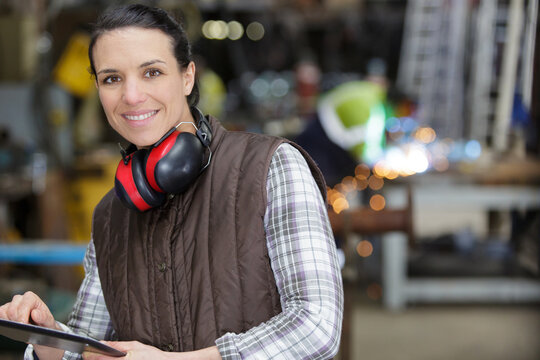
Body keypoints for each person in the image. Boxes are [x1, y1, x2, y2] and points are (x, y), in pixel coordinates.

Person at [0, 4, 343, 359]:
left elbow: (316, 326)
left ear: (187, 77)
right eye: (112, 78)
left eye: (151, 72)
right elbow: (91, 349)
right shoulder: (111, 214)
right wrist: (49, 336)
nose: (131, 96)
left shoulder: (271, 167)